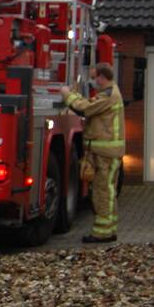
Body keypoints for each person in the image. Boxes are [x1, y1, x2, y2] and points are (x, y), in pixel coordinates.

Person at [61, 62, 125, 243]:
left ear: (102, 77)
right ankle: (109, 229)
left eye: (94, 77)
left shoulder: (108, 95)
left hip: (105, 153)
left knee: (102, 191)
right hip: (106, 152)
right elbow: (90, 105)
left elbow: (85, 108)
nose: (93, 81)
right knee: (108, 191)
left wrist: (67, 95)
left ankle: (102, 233)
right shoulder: (110, 93)